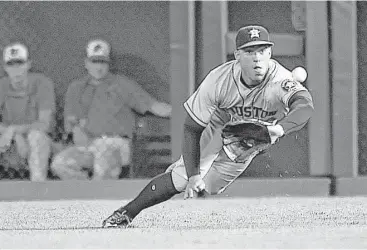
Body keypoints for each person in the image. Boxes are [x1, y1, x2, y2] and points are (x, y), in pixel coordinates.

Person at [102, 25, 314, 228]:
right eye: (249, 51)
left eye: (262, 50)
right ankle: (126, 213)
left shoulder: (280, 80)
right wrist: (193, 174)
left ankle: (194, 178)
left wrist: (281, 128)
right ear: (237, 55)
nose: (257, 58)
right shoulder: (218, 81)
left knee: (211, 187)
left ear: (270, 53)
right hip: (218, 125)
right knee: (183, 179)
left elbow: (305, 106)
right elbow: (192, 128)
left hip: (249, 138)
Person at [50, 39, 172, 180]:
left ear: (108, 64)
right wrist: (79, 133)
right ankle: (89, 193)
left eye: (102, 62)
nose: (98, 67)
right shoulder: (76, 88)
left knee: (104, 152)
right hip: (89, 146)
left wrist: (184, 111)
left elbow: (154, 106)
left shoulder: (122, 84)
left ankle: (99, 195)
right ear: (86, 63)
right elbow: (72, 124)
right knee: (60, 164)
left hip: (118, 144)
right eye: (94, 61)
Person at [0, 42, 56, 181]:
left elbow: (45, 125)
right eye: (11, 64)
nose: (16, 69)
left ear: (28, 64)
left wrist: (14, 130)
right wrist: (13, 135)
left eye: (20, 63)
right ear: (5, 67)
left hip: (42, 142)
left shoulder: (42, 83)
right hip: (9, 142)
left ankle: (37, 190)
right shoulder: (2, 85)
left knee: (35, 137)